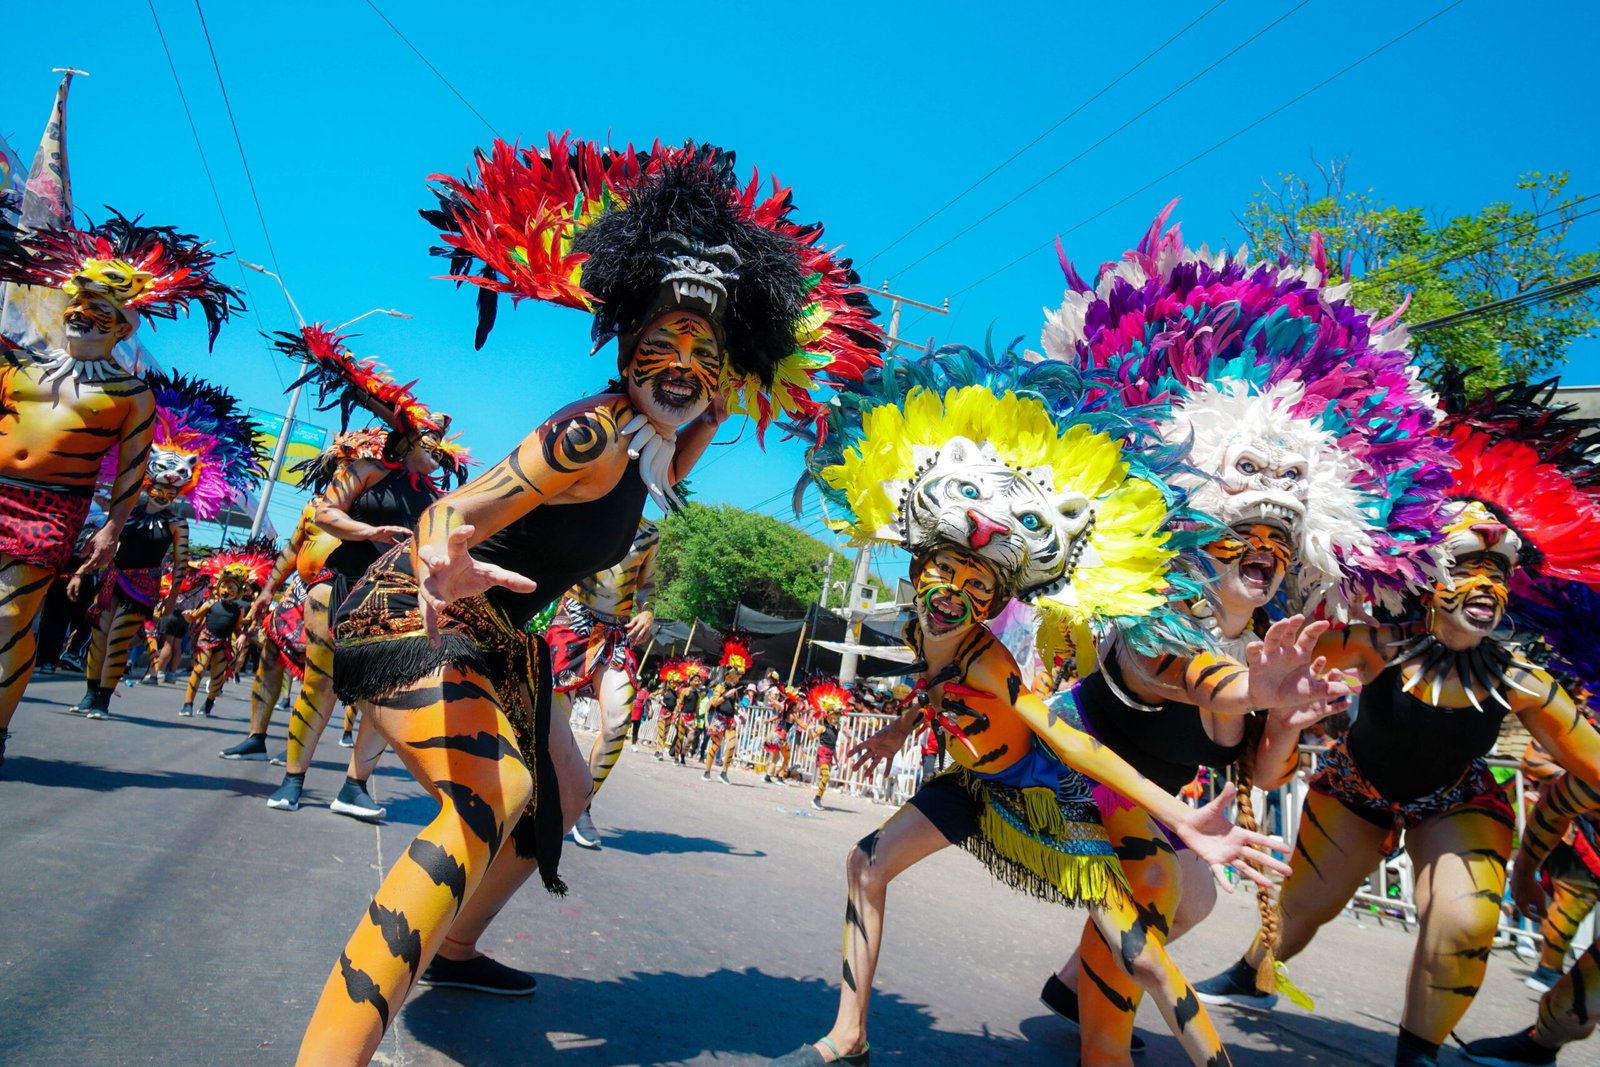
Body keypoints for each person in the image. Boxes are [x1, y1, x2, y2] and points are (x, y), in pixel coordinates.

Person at [295, 134, 881, 1065]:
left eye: (707, 350)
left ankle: (453, 947)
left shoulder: (660, 441)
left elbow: (697, 424)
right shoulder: (593, 434)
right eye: (665, 341)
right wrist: (444, 559)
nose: (683, 363)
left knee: (563, 791)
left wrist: (727, 379)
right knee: (494, 798)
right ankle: (331, 1050)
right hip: (414, 605)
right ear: (627, 341)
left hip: (501, 637)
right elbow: (454, 506)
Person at [770, 353, 1320, 1066]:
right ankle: (847, 1040)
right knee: (866, 863)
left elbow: (1091, 739)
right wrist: (900, 726)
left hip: (1055, 794)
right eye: (940, 573)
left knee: (1155, 936)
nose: (948, 591)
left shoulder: (1254, 649)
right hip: (1005, 782)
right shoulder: (1143, 617)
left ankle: (1152, 1037)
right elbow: (956, 690)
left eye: (970, 581)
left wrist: (1260, 725)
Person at [1023, 209, 1449, 1062]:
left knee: (1195, 901)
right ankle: (1101, 1046)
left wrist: (1284, 718)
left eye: (1279, 540)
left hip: (1150, 805)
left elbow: (1252, 768)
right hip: (1061, 776)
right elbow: (1185, 679)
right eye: (1244, 527)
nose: (1264, 548)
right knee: (1151, 888)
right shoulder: (1152, 606)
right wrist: (1252, 688)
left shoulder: (1272, 634)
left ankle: (1074, 989)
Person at [1195, 378, 1600, 1067]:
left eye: (1498, 572)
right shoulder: (1374, 641)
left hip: (1458, 798)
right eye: (1469, 567)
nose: (1488, 586)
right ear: (1430, 576)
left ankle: (1418, 1053)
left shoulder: (1521, 678)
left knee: (1464, 922)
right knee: (1303, 906)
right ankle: (1254, 971)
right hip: (1358, 785)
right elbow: (1266, 663)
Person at [0, 207, 241, 768]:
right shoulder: (16, 368)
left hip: (52, 508)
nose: (84, 317)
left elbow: (131, 471)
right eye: (79, 307)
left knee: (10, 617)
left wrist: (110, 529)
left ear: (123, 326)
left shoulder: (132, 395)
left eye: (100, 312)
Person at [261, 329, 470, 820]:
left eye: (440, 444)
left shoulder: (437, 499)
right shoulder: (367, 470)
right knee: (322, 685)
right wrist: (368, 530)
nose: (437, 449)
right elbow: (324, 513)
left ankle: (354, 787)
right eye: (429, 440)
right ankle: (293, 779)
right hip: (337, 586)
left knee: (382, 694)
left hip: (388, 599)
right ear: (405, 439)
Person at [65, 372, 263, 718]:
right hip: (111, 578)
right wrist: (82, 572)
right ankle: (89, 693)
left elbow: (182, 562)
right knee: (98, 637)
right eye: (159, 482)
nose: (164, 488)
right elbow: (103, 540)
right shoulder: (125, 509)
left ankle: (103, 698)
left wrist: (170, 601)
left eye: (171, 486)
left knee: (116, 641)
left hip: (143, 585)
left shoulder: (176, 523)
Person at [1460, 745, 1600, 1066]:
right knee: (1566, 1004)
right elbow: (1551, 794)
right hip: (1577, 851)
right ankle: (1539, 1044)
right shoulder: (1587, 762)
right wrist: (1523, 874)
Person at [547, 518, 658, 848]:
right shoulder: (589, 507)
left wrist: (648, 612)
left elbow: (647, 585)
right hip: (572, 621)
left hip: (616, 633)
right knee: (554, 727)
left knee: (618, 723)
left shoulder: (650, 533)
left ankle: (580, 806)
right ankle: (540, 798)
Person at [181, 548, 272, 718]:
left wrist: (242, 636)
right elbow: (193, 617)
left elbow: (238, 629)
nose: (226, 590)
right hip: (206, 639)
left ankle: (209, 701)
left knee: (217, 676)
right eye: (224, 585)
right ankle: (188, 703)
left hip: (223, 644)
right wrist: (188, 616)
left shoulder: (238, 611)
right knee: (199, 670)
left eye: (231, 587)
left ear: (238, 591)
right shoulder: (210, 604)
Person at [701, 629, 754, 784]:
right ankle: (707, 771)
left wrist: (739, 713)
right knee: (715, 746)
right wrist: (726, 695)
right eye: (736, 676)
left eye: (739, 677)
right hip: (718, 719)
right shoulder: (721, 687)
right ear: (730, 674)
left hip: (730, 720)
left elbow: (733, 705)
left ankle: (724, 772)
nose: (738, 679)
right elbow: (714, 703)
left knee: (732, 745)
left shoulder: (735, 690)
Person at [804, 678, 851, 812]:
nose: (835, 719)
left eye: (837, 717)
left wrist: (835, 759)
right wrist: (810, 729)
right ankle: (816, 799)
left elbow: (833, 745)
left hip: (829, 755)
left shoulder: (835, 730)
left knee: (825, 777)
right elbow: (813, 737)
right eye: (833, 717)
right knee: (825, 776)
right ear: (827, 717)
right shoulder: (823, 728)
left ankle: (818, 798)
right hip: (822, 753)